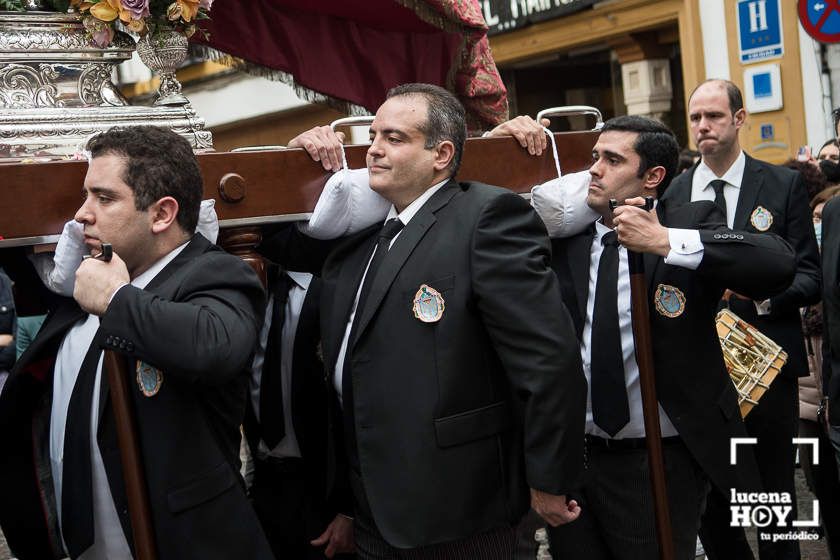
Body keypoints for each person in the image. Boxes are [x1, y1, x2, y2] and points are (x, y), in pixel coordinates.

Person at [261, 83, 587, 558]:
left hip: (459, 506)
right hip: (374, 508)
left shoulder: (489, 219)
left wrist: (549, 480)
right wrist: (290, 163)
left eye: (394, 138)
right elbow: (269, 239)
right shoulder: (361, 237)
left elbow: (548, 362)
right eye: (372, 135)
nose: (373, 148)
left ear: (442, 154)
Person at [0, 126, 272, 559]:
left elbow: (216, 346)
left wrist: (116, 301)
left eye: (104, 198)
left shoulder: (212, 274)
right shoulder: (92, 274)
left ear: (162, 214)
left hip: (176, 544)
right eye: (86, 195)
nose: (82, 215)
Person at [544, 115, 795, 559]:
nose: (595, 169)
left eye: (613, 159)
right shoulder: (565, 237)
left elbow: (775, 263)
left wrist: (664, 240)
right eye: (594, 157)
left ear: (654, 176)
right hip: (575, 459)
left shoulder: (687, 221)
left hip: (659, 459)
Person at [661, 79, 820, 560]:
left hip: (767, 366)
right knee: (713, 500)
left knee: (773, 498)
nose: (703, 126)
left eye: (713, 116)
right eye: (695, 118)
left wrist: (757, 299)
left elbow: (808, 275)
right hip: (703, 374)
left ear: (739, 118)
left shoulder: (782, 184)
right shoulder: (675, 192)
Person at [243, 264, 355, 559]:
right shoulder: (246, 292)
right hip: (264, 487)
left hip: (320, 492)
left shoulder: (328, 291)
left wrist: (350, 510)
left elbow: (351, 408)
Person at [797, 186, 840, 557]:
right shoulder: (806, 278)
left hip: (832, 400)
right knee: (822, 487)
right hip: (810, 405)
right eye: (816, 219)